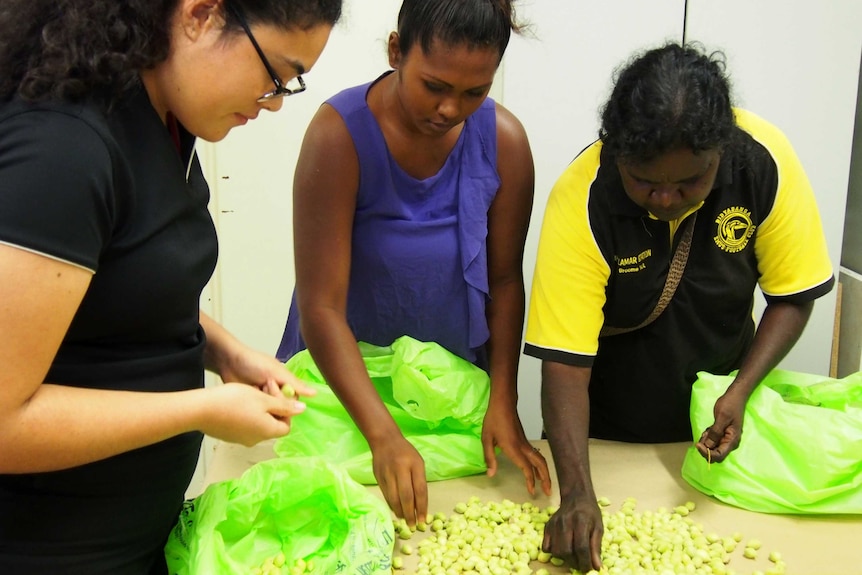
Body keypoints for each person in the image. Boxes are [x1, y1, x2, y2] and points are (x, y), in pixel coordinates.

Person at [0, 0, 340, 573]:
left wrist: (226, 351)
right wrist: (199, 410)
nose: (276, 103)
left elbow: (121, 290)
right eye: (273, 75)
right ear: (201, 15)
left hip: (133, 536)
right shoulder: (64, 150)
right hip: (52, 550)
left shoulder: (162, 118)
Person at [524, 42, 835, 571]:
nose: (666, 199)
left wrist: (740, 390)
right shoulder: (582, 197)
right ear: (618, 152)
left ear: (720, 153)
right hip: (611, 426)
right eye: (645, 182)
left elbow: (792, 295)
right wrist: (577, 494)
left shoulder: (762, 160)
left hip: (719, 426)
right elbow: (565, 362)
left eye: (690, 182)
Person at [275, 0, 552, 526]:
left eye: (475, 92)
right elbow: (321, 306)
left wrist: (502, 399)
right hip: (345, 391)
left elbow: (503, 283)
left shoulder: (505, 143)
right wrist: (382, 435)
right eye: (435, 86)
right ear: (396, 50)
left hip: (441, 395)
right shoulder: (340, 135)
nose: (451, 109)